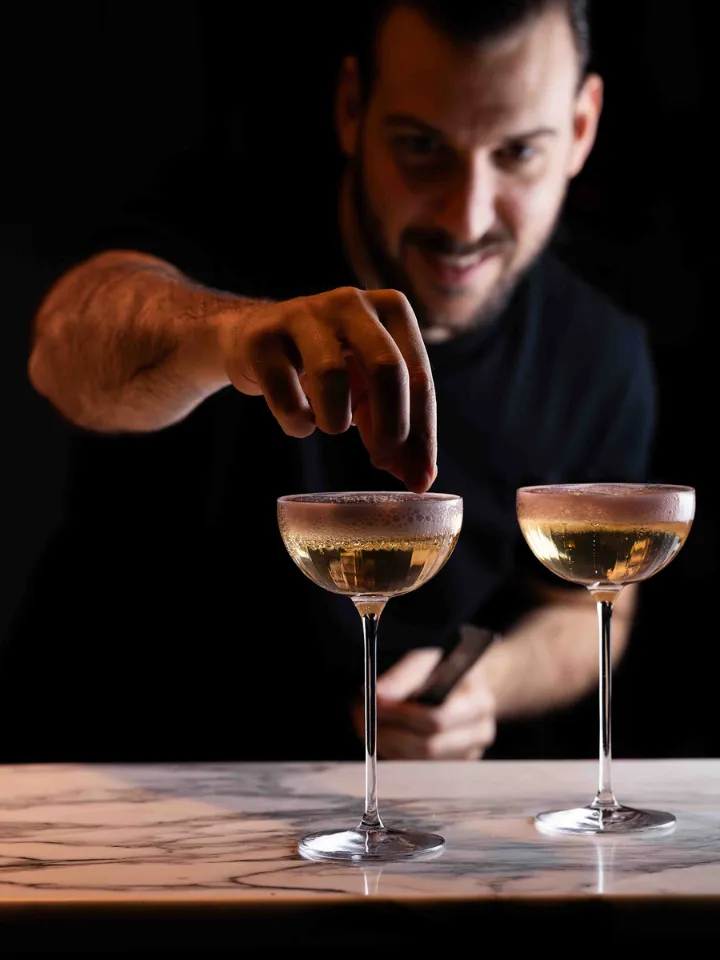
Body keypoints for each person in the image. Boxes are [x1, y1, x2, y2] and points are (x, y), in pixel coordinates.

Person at [10, 0, 656, 763]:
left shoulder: (599, 357)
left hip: (389, 835)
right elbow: (61, 352)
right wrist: (225, 334)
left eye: (518, 153)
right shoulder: (222, 226)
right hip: (111, 780)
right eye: (422, 147)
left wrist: (490, 686)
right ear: (353, 110)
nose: (466, 215)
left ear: (581, 129)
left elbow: (585, 608)